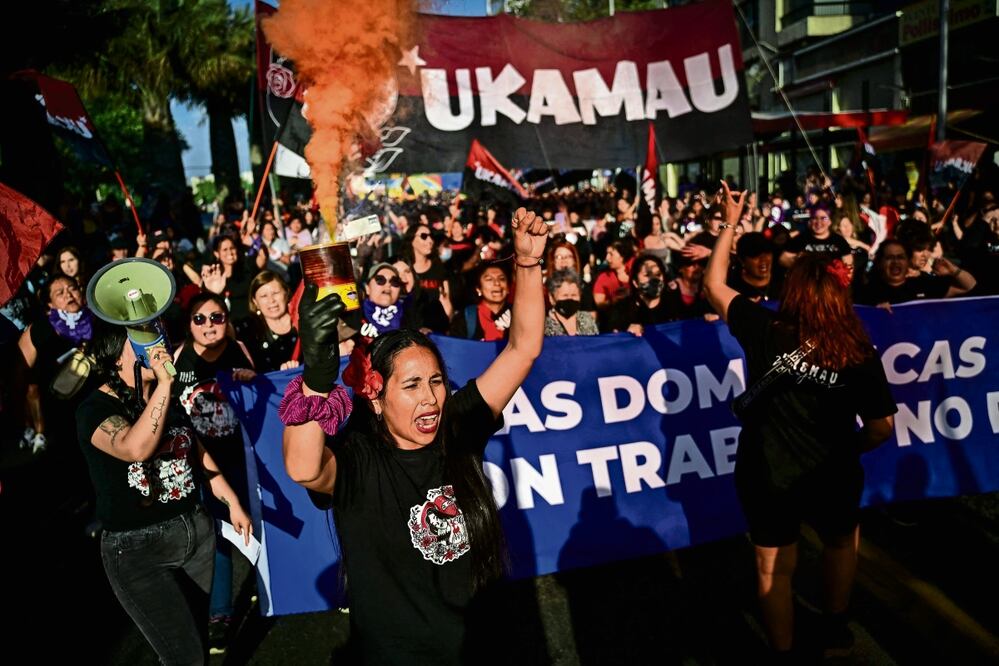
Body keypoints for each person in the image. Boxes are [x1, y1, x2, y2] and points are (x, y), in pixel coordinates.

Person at [281, 207, 548, 664]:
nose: (430, 398)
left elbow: (523, 348)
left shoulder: (458, 426)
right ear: (377, 398)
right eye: (411, 385)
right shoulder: (359, 457)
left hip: (480, 650)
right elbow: (304, 467)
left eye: (436, 381)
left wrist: (526, 263)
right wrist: (319, 376)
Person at [703, 183, 896, 659]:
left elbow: (712, 285)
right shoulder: (857, 350)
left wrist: (730, 222)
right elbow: (881, 428)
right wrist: (847, 449)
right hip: (833, 469)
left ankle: (784, 653)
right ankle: (835, 631)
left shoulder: (764, 329)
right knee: (840, 543)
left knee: (773, 568)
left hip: (767, 470)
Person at [77, 324, 251, 665]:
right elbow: (135, 447)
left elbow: (198, 454)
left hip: (194, 536)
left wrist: (232, 503)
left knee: (193, 643)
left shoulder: (160, 396)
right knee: (185, 656)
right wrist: (167, 383)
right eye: (139, 342)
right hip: (139, 553)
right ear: (115, 358)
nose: (156, 347)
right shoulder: (94, 410)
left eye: (157, 337)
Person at [171, 293, 258, 653]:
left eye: (216, 317)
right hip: (202, 467)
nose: (209, 324)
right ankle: (220, 615)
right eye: (200, 318)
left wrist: (252, 379)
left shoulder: (239, 348)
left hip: (242, 459)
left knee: (255, 527)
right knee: (217, 539)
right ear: (189, 324)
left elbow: (264, 398)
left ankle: (269, 591)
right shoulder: (179, 358)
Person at [857, 239, 977, 306]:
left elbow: (968, 286)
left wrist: (953, 270)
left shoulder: (925, 284)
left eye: (900, 257)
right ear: (880, 262)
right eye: (889, 258)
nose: (895, 262)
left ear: (907, 261)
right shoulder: (868, 293)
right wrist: (873, 315)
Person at [236, 271, 300, 373]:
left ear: (286, 293)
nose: (271, 300)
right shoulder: (247, 329)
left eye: (275, 293)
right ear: (255, 302)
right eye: (264, 296)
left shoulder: (305, 322)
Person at [201, 235, 265, 320]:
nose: (230, 252)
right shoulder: (213, 278)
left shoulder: (248, 271)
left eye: (232, 248)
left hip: (250, 321)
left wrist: (256, 242)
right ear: (216, 254)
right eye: (225, 249)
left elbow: (263, 258)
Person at [450, 265, 512, 341]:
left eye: (502, 279)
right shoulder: (466, 318)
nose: (497, 283)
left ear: (508, 288)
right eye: (489, 279)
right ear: (479, 289)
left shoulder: (520, 315)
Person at [779, 208, 852, 267]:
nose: (819, 222)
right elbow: (783, 259)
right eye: (815, 218)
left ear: (830, 221)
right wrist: (800, 266)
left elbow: (849, 266)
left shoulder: (839, 241)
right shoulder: (800, 239)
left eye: (824, 218)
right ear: (810, 221)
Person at [544, 269, 598, 337]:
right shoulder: (544, 326)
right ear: (551, 298)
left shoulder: (587, 319)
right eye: (565, 295)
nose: (570, 299)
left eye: (574, 295)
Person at [728, 232, 780, 302]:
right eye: (755, 255)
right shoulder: (731, 289)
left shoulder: (784, 281)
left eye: (767, 252)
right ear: (742, 260)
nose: (763, 259)